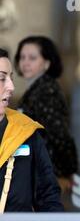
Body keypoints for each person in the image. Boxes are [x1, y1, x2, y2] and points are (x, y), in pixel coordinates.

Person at [14, 36, 78, 208]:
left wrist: (69, 171)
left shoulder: (46, 91)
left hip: (46, 173)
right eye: (22, 57)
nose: (25, 62)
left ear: (47, 63)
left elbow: (60, 135)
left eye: (32, 58)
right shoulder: (37, 88)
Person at [0, 48, 63, 212]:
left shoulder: (25, 132)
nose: (11, 87)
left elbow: (49, 195)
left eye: (11, 78)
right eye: (2, 78)